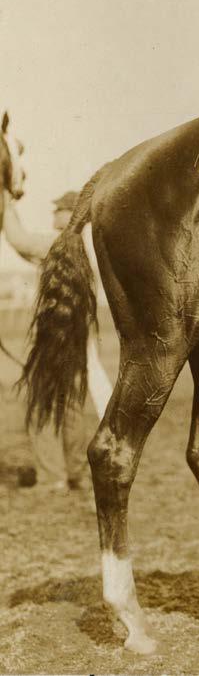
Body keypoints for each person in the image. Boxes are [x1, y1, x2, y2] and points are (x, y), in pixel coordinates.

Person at [4, 190, 111, 490]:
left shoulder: (59, 242)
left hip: (56, 340)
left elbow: (19, 240)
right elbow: (27, 251)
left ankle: (52, 477)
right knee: (71, 407)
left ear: (71, 214)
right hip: (77, 342)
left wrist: (6, 203)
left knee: (42, 403)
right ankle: (76, 472)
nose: (53, 213)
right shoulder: (87, 247)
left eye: (58, 209)